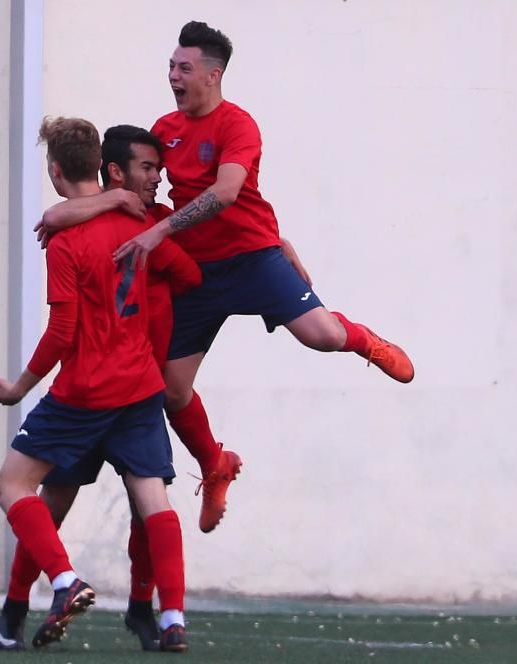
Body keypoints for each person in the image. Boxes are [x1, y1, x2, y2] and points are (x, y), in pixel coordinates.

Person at [45, 21, 415, 534]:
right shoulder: (165, 127)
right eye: (171, 66)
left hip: (250, 258)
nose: (173, 75)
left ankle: (365, 340)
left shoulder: (237, 125)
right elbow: (128, 182)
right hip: (197, 272)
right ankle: (215, 463)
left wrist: (164, 233)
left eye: (184, 67)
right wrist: (97, 203)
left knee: (323, 336)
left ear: (213, 75)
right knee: (172, 392)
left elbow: (227, 192)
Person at [0, 124, 201, 652]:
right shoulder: (137, 220)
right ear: (103, 166)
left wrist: (20, 387)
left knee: (16, 489)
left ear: (56, 171)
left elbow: (62, 332)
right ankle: (172, 616)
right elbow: (186, 273)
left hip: (84, 395)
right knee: (154, 500)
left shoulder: (65, 240)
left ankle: (63, 583)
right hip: (137, 388)